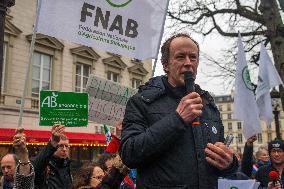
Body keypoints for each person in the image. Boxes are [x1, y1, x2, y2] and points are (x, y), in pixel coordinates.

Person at [119, 33, 238, 189]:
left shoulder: (208, 104)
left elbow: (218, 163)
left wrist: (230, 164)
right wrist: (178, 119)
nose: (188, 63)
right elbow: (129, 154)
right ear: (166, 65)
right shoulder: (141, 102)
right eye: (180, 57)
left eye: (193, 57)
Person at [32, 124, 72, 189]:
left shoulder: (70, 166)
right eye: (61, 146)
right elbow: (35, 169)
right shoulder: (43, 164)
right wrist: (53, 142)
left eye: (66, 146)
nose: (64, 149)